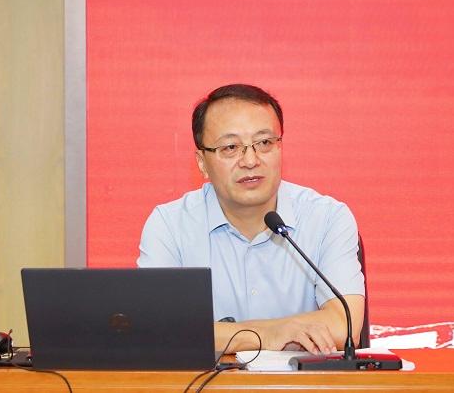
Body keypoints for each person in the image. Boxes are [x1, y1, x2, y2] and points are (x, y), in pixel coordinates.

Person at [137, 84, 365, 354]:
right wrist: (268, 334)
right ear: (202, 162)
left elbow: (343, 326)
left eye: (264, 143)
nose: (250, 160)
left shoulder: (327, 218)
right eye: (230, 147)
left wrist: (220, 335)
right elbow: (159, 330)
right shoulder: (169, 225)